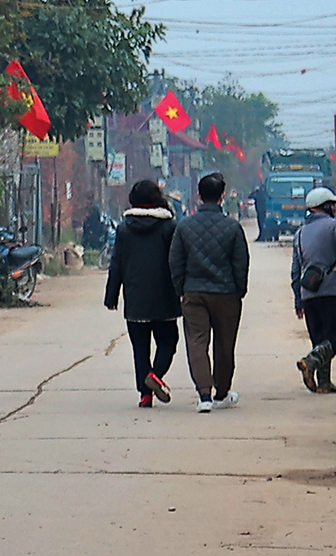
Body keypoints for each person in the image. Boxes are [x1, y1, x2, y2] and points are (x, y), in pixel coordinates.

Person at [168, 170, 249, 412]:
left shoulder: (184, 227)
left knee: (196, 342)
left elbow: (175, 261)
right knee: (225, 344)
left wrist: (180, 289)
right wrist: (239, 291)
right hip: (226, 293)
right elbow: (241, 263)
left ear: (198, 195)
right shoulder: (232, 227)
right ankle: (221, 393)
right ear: (222, 196)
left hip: (193, 292)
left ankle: (204, 395)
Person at [104, 179, 180, 408]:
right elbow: (176, 262)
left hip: (135, 296)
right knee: (168, 341)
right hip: (165, 296)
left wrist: (111, 295)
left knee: (140, 348)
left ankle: (145, 395)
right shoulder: (170, 227)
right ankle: (155, 376)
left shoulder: (125, 228)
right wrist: (182, 289)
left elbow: (116, 263)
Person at [292, 185, 336, 393]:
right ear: (325, 206)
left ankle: (324, 384)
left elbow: (295, 270)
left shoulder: (300, 233)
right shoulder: (333, 226)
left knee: (318, 337)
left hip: (308, 292)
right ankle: (311, 362)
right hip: (331, 290)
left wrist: (298, 300)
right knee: (333, 338)